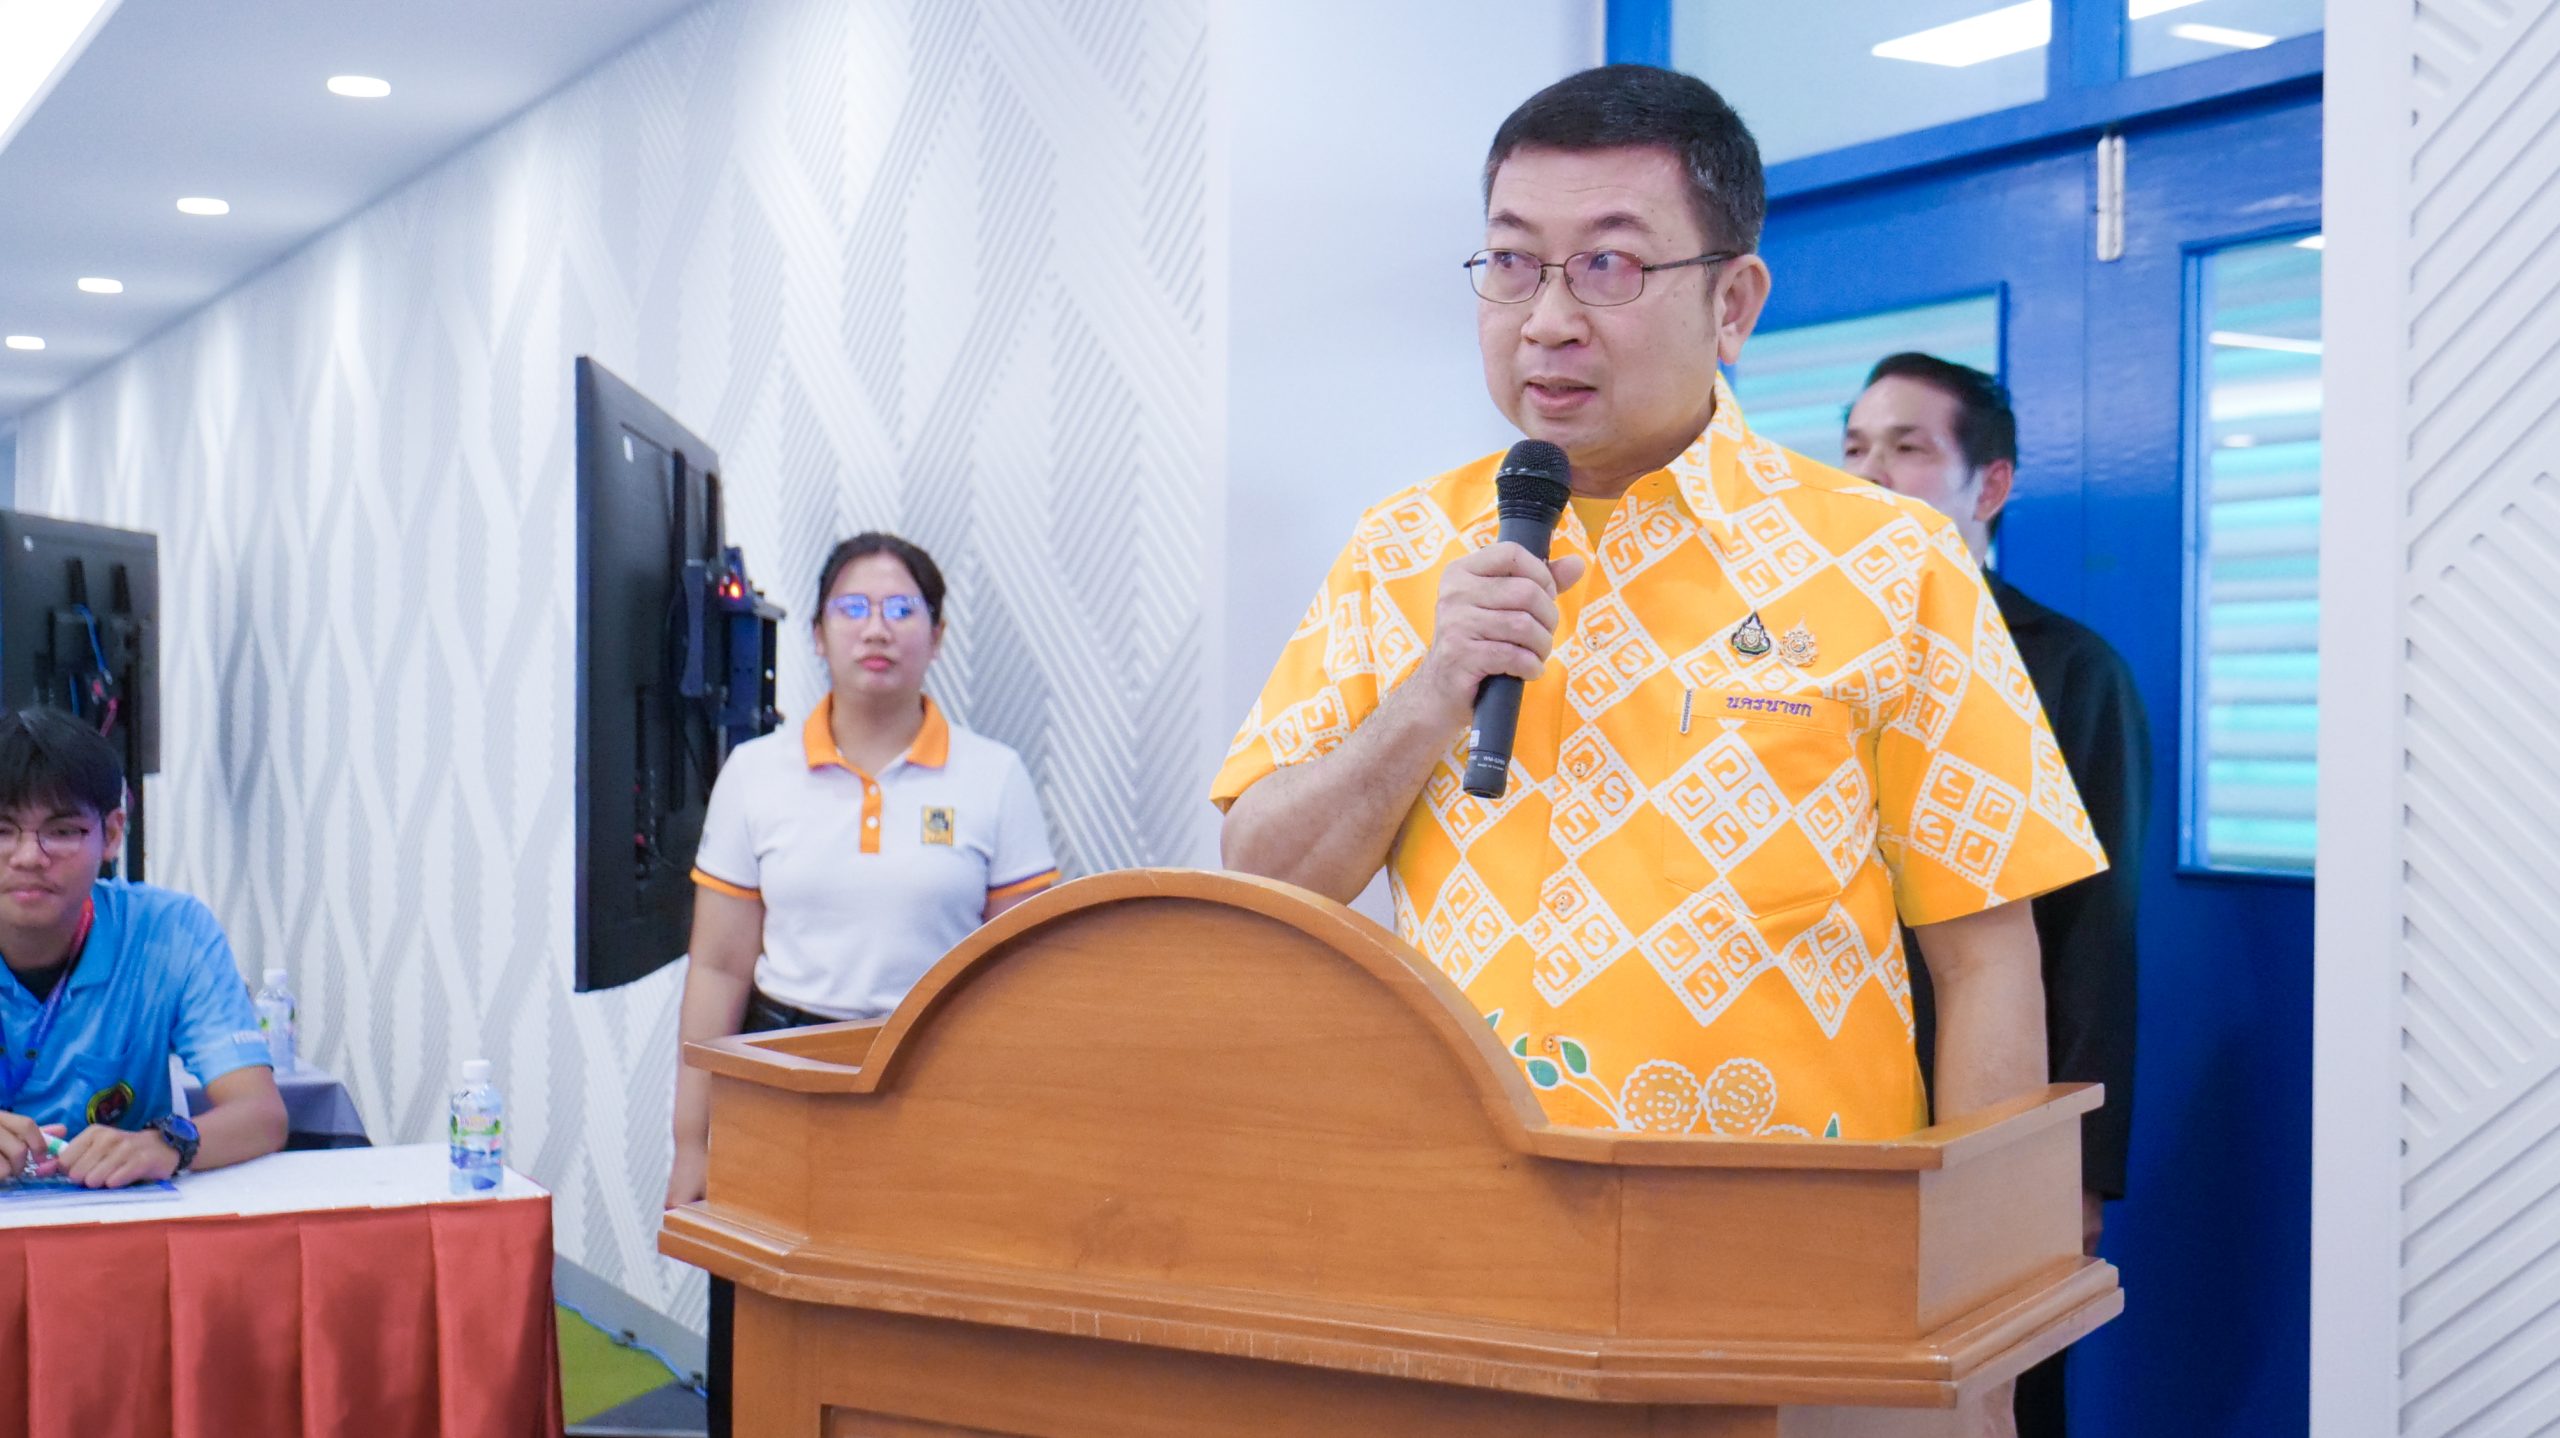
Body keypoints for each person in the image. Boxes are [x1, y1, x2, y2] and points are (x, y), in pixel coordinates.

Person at [1216, 53, 2103, 1259]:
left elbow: (1987, 961)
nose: (1547, 318)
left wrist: (1982, 1289)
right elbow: (1267, 878)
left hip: (1797, 1253)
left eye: (1609, 264)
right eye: (1512, 261)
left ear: (1732, 302)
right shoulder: (1402, 545)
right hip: (1467, 1239)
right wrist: (1428, 695)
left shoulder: (1890, 560)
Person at [665, 531, 1058, 1437]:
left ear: (937, 634)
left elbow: (1028, 980)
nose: (876, 629)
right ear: (816, 634)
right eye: (853, 608)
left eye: (900, 609)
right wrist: (693, 1141)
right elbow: (719, 967)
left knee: (913, 1353)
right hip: (782, 1082)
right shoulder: (755, 775)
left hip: (934, 1091)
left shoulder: (992, 778)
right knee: (766, 1334)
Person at [1846, 353, 2149, 1438]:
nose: (1868, 474)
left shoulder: (2069, 669)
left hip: (1990, 1110)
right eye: (1853, 447)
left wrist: (2072, 1169)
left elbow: (2094, 938)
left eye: (1907, 448)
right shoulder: (1811, 653)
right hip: (1837, 1115)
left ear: (1992, 485)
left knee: (1995, 1390)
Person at [0, 708, 286, 1188]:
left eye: (63, 831)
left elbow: (261, 1114)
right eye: (2, 830)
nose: (29, 857)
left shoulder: (171, 931)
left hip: (120, 1213)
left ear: (112, 835)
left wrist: (166, 1144)